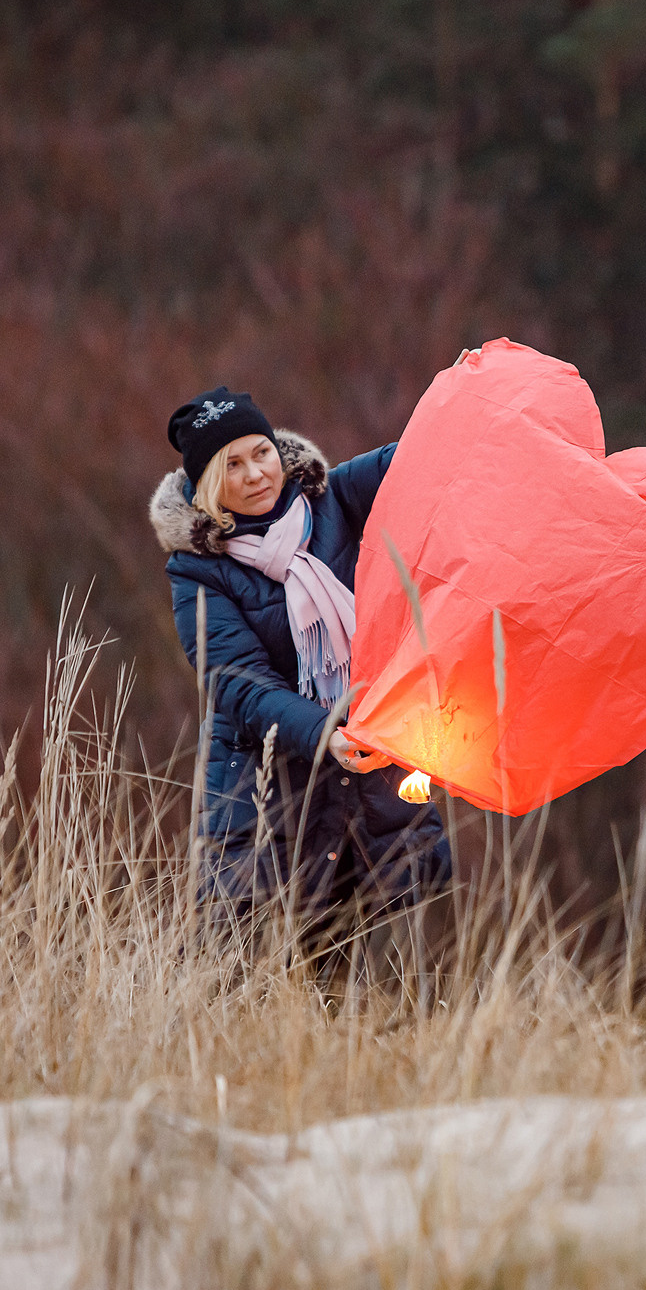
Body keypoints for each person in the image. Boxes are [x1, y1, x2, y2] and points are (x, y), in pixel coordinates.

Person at [150, 387, 450, 940]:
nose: (256, 474)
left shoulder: (331, 499)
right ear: (209, 483)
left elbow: (416, 459)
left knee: (381, 969)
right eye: (231, 465)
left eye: (260, 453)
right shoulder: (197, 571)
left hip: (373, 775)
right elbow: (237, 683)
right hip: (266, 791)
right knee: (258, 972)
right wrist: (324, 733)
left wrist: (461, 394)